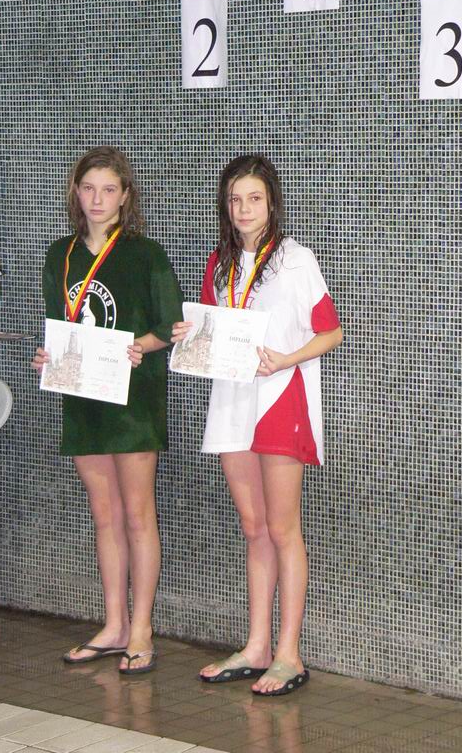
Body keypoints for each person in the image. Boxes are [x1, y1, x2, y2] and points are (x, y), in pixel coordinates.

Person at [172, 155, 342, 696]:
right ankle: (257, 645)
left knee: (283, 527)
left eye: (254, 199)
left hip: (281, 399)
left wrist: (286, 358)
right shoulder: (218, 264)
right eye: (235, 200)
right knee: (253, 528)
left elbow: (331, 332)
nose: (244, 209)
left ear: (271, 203)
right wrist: (188, 336)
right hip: (232, 403)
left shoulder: (296, 259)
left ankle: (289, 654)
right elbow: (213, 332)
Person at [32, 146, 183, 674]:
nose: (97, 199)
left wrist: (140, 345)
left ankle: (141, 629)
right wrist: (47, 355)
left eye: (108, 190)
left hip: (133, 401)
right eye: (89, 188)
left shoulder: (145, 254)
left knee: (138, 515)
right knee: (105, 516)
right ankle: (114, 623)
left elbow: (171, 326)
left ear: (124, 197)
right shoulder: (60, 254)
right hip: (83, 399)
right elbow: (59, 324)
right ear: (76, 193)